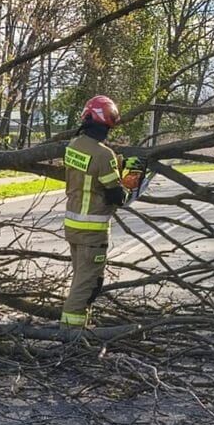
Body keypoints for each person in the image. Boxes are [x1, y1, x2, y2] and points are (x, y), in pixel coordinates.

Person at [60, 95, 144, 328]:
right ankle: (71, 333)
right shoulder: (103, 154)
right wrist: (130, 181)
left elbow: (90, 175)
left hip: (74, 226)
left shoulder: (73, 145)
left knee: (80, 278)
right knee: (88, 285)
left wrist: (116, 165)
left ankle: (78, 327)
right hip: (92, 229)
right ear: (107, 123)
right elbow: (116, 196)